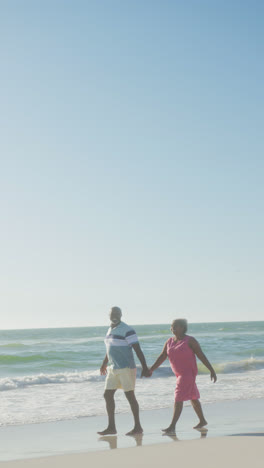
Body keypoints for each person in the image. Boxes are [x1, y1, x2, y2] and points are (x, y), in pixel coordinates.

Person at [150, 318, 217, 434]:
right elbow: (162, 356)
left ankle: (172, 426)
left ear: (182, 328)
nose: (172, 328)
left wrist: (211, 370)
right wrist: (151, 369)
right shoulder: (169, 341)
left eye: (175, 326)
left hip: (188, 374)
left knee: (178, 398)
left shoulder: (190, 341)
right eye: (171, 326)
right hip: (178, 374)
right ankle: (202, 420)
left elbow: (201, 355)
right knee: (193, 397)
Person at [98, 306, 150, 436]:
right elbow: (110, 348)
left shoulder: (128, 330)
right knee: (107, 395)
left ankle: (138, 427)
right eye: (112, 313)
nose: (114, 315)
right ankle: (111, 427)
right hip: (113, 368)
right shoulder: (110, 329)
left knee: (130, 396)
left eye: (117, 313)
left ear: (121, 315)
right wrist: (104, 364)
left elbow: (138, 349)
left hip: (126, 368)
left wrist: (145, 367)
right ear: (108, 315)